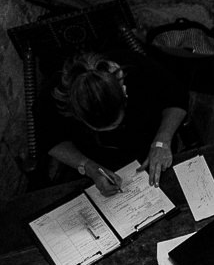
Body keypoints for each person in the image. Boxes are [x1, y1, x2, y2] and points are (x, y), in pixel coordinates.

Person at [41, 51, 188, 192]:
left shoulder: (136, 67)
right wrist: (88, 167)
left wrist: (162, 141)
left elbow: (178, 98)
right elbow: (49, 139)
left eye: (115, 124)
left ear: (124, 92)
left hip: (151, 146)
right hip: (95, 159)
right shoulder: (55, 95)